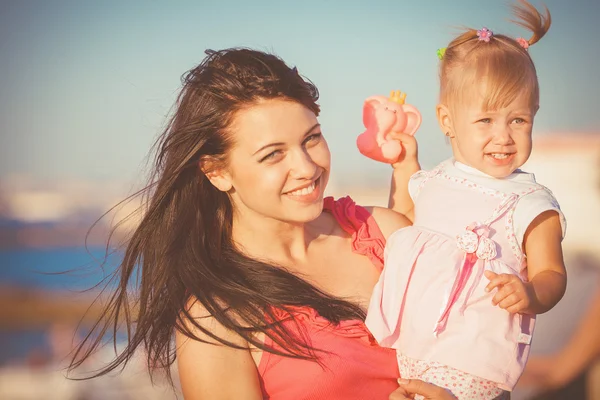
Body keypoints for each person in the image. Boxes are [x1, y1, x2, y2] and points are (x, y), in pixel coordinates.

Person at [68, 47, 457, 400]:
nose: (306, 167)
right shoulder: (217, 319)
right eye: (273, 155)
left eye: (312, 139)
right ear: (218, 172)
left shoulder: (383, 233)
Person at [366, 1, 567, 399]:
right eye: (485, 120)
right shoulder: (434, 180)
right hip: (407, 351)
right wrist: (404, 165)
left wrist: (531, 294)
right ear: (447, 120)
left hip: (474, 366)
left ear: (534, 115)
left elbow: (553, 275)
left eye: (518, 120)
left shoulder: (530, 201)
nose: (503, 136)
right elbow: (406, 222)